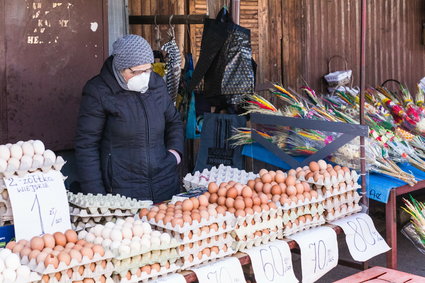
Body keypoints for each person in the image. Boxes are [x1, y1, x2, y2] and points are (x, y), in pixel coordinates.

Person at [75, 34, 183, 203]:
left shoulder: (156, 84)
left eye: (147, 70)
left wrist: (174, 154)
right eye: (135, 72)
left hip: (164, 184)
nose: (143, 76)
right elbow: (87, 146)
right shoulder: (98, 91)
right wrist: (97, 199)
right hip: (122, 192)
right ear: (120, 68)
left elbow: (174, 121)